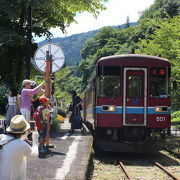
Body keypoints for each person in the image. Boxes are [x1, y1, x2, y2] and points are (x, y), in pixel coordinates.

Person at [0, 115, 39, 180]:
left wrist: (24, 135)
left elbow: (13, 142)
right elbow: (34, 155)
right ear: (23, 131)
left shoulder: (2, 139)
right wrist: (35, 139)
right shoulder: (22, 145)